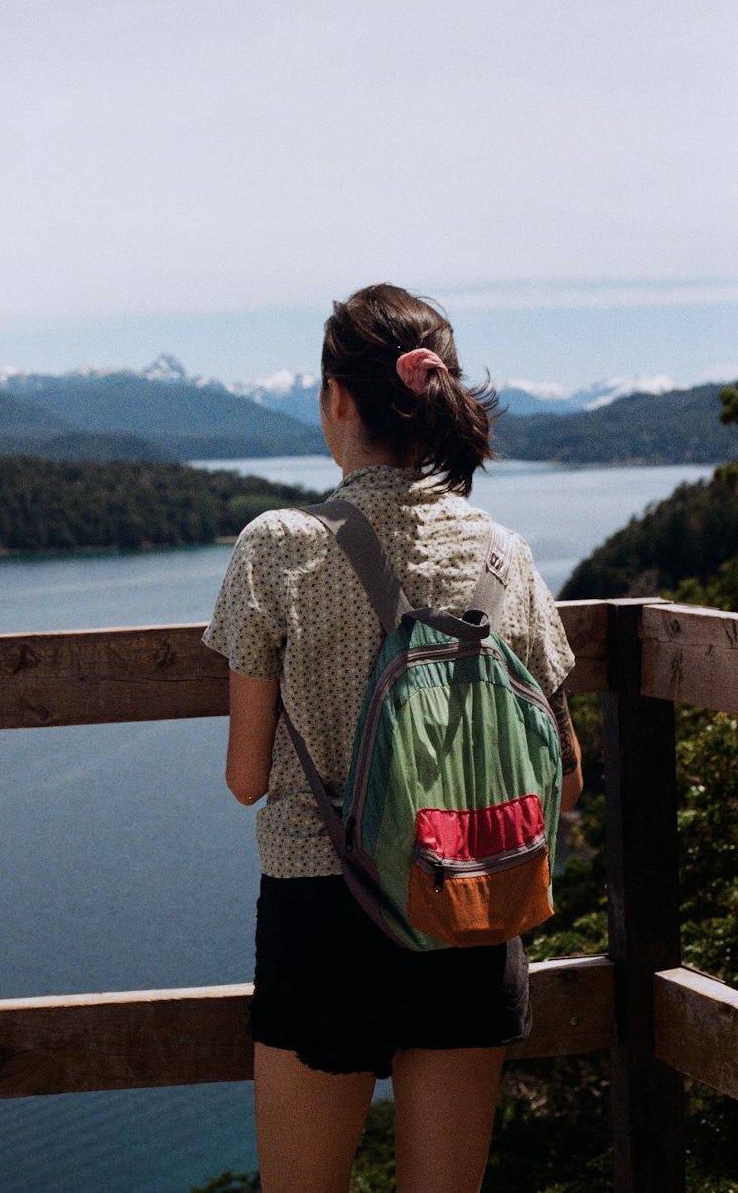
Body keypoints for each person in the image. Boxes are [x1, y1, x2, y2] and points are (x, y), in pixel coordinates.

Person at [203, 284, 583, 1193]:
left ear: (337, 397)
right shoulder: (504, 553)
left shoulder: (278, 546)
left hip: (326, 912)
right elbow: (564, 777)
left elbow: (246, 778)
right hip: (474, 904)